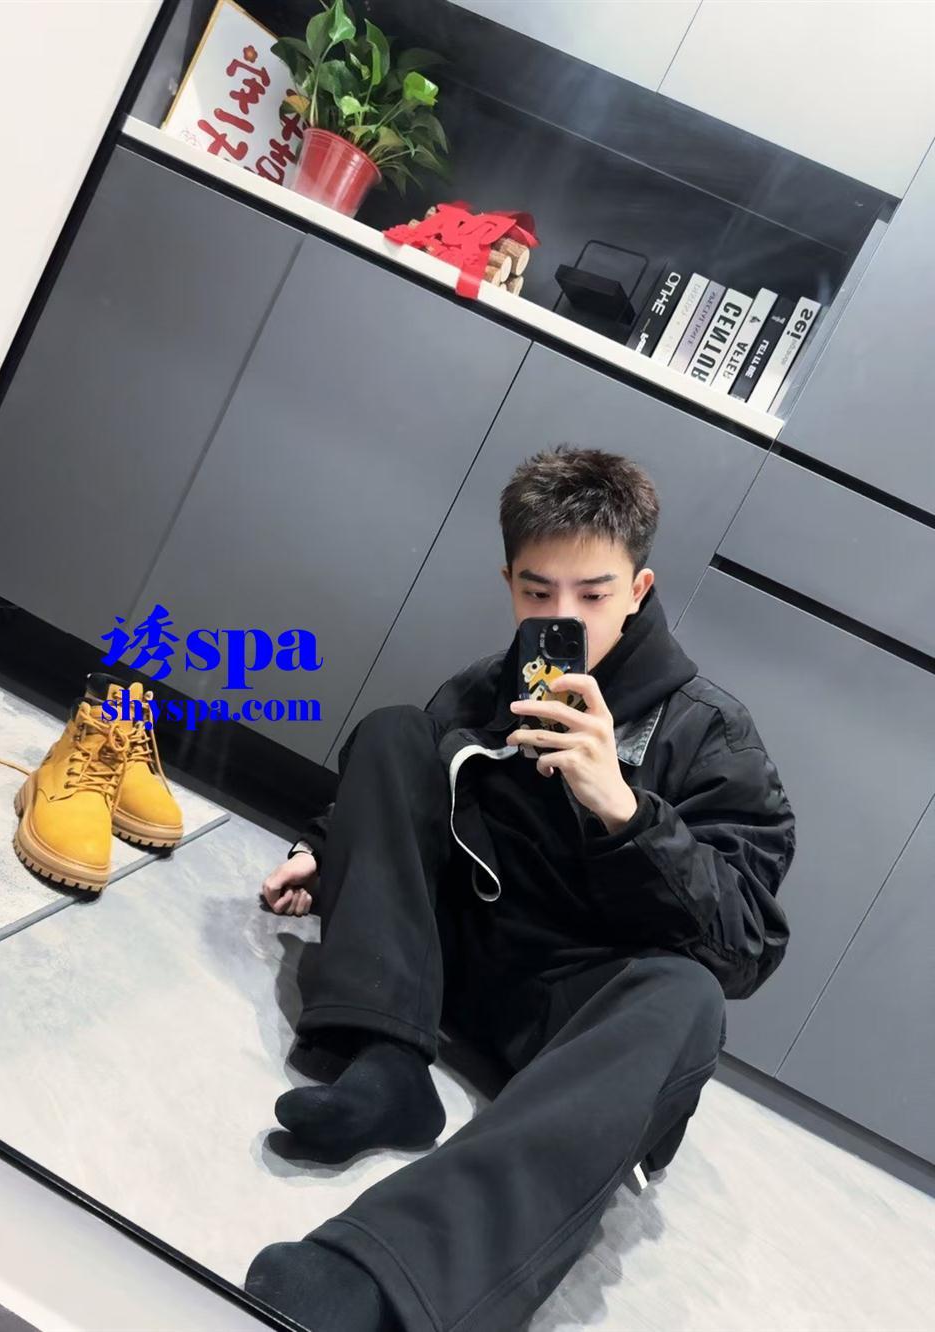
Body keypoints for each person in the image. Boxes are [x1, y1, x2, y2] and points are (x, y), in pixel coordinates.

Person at [244, 445, 797, 1332]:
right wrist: (328, 845)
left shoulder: (712, 736)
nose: (561, 618)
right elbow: (408, 794)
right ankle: (386, 1067)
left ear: (640, 590)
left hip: (571, 1021)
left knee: (688, 997)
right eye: (538, 594)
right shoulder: (484, 688)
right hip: (454, 970)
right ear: (509, 585)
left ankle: (393, 1275)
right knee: (393, 734)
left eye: (593, 596)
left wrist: (626, 809)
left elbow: (746, 948)